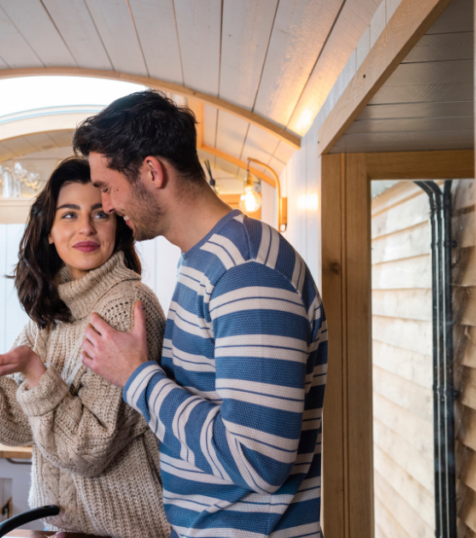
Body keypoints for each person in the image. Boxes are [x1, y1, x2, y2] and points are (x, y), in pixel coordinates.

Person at [73, 91, 327, 538]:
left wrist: (137, 379)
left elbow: (259, 460)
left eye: (108, 187)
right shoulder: (204, 259)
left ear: (152, 172)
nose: (108, 206)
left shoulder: (246, 273)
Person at [0, 158, 171, 538]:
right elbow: (16, 427)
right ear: (49, 232)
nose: (86, 228)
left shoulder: (125, 305)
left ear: (119, 226)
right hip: (71, 529)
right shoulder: (51, 313)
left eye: (100, 215)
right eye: (69, 215)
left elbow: (88, 450)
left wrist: (35, 372)